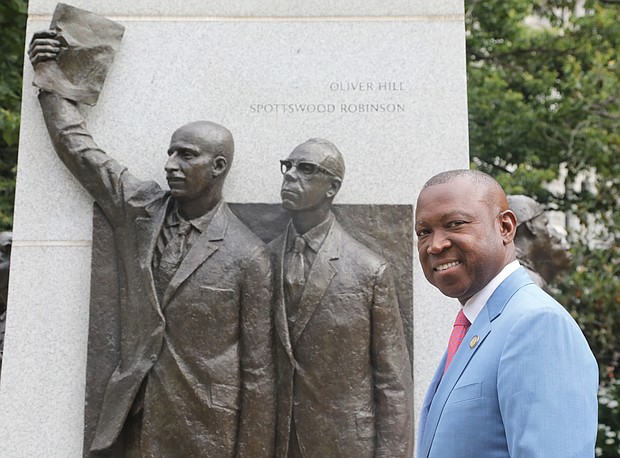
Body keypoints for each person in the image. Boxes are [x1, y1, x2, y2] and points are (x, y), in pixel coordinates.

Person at [29, 32, 275, 457]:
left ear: (218, 167)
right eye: (169, 153)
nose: (169, 165)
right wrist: (52, 79)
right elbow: (80, 150)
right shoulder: (141, 208)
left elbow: (257, 372)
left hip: (205, 427)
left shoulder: (249, 255)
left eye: (185, 155)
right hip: (135, 414)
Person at [415, 169, 598, 458]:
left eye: (455, 223)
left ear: (506, 227)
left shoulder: (537, 324)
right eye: (424, 232)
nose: (436, 244)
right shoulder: (477, 326)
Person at [269, 138, 413, 458]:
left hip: (345, 444)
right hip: (275, 441)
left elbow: (393, 383)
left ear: (332, 187)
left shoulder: (370, 271)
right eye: (287, 166)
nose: (290, 175)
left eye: (305, 169)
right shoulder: (263, 260)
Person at [508, 194, 572, 290]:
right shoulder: (530, 282)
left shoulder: (503, 274)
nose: (549, 233)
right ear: (531, 226)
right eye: (544, 223)